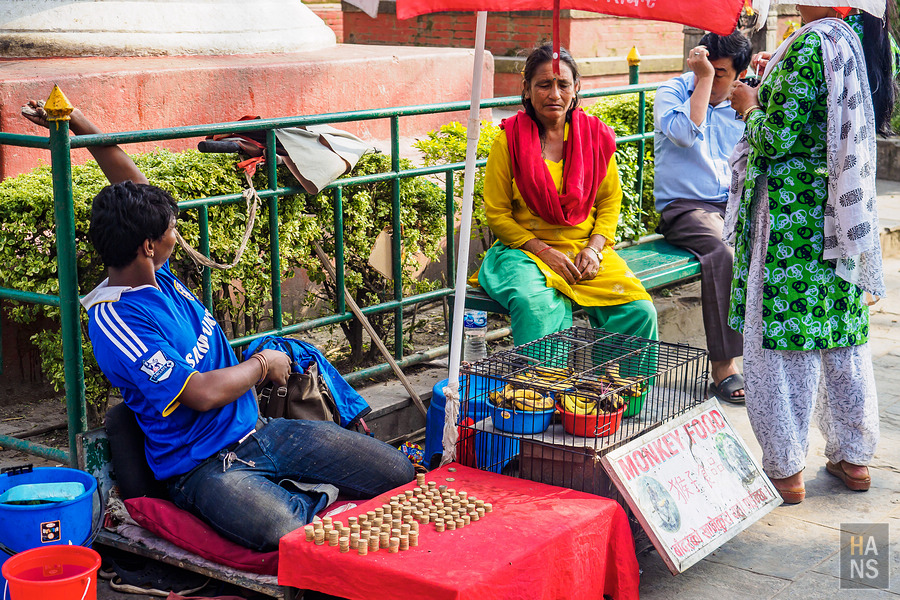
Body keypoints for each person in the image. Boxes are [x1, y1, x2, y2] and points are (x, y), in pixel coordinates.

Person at [22, 100, 416, 550]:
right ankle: (304, 497)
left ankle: (300, 492)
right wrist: (265, 364)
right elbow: (201, 393)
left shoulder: (154, 272)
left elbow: (131, 181)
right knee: (284, 533)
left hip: (261, 430)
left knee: (397, 474)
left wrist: (74, 121)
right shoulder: (116, 319)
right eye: (171, 227)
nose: (178, 231)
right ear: (148, 246)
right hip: (203, 466)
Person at [726, 1, 892, 504]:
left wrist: (749, 108)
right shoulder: (863, 40)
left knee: (781, 343)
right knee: (841, 334)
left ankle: (785, 469)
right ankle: (854, 456)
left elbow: (777, 139)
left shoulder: (809, 46)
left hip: (792, 220)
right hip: (841, 216)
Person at [476, 43, 657, 349]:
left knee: (639, 312)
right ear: (527, 90)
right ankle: (542, 394)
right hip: (524, 252)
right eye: (544, 85)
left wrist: (595, 249)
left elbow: (610, 201)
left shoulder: (594, 137)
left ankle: (616, 395)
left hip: (584, 249)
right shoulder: (508, 140)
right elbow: (497, 214)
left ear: (576, 88)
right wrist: (543, 251)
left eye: (562, 84)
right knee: (537, 306)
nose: (554, 94)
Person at [654, 30, 752, 404]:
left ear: (739, 74)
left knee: (778, 241)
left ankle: (771, 356)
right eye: (704, 68)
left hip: (732, 203)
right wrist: (706, 79)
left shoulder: (744, 100)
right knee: (723, 252)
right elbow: (684, 134)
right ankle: (724, 366)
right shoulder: (673, 92)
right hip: (686, 207)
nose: (709, 77)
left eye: (721, 72)